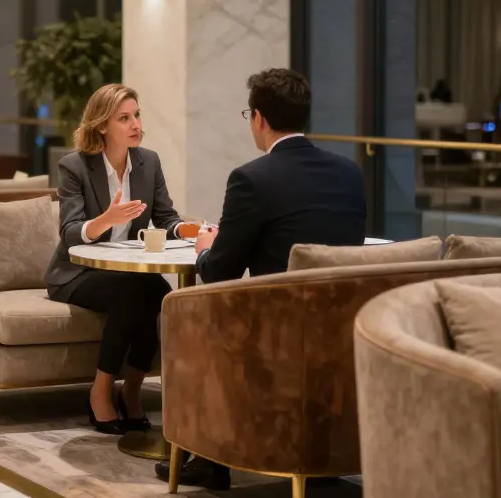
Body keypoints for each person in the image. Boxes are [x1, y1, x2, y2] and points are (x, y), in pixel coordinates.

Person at [157, 68, 367, 490]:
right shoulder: (349, 173)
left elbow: (221, 271)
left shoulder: (252, 179)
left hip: (276, 336)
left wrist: (203, 248)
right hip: (346, 332)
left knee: (188, 319)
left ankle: (210, 460)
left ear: (258, 119)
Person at [46, 84, 198, 436]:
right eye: (124, 118)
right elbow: (69, 232)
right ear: (102, 125)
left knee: (159, 292)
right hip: (77, 273)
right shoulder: (75, 166)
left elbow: (166, 217)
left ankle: (131, 392)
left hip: (125, 273)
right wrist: (105, 221)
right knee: (132, 293)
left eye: (137, 115)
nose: (135, 124)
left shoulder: (149, 162)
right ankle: (100, 392)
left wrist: (191, 230)